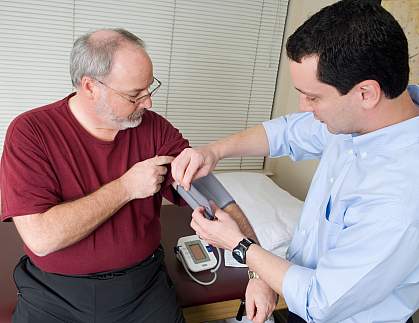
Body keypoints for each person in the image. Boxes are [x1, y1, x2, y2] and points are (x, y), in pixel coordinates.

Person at [171, 1, 419, 322]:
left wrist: (239, 245)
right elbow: (286, 133)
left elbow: (320, 299)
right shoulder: (369, 117)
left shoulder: (400, 198)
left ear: (366, 93)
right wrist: (213, 152)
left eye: (313, 97)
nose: (304, 108)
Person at [0, 28, 190, 323]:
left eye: (149, 88)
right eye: (134, 95)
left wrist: (254, 265)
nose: (148, 103)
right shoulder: (30, 132)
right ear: (90, 87)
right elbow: (41, 238)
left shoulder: (153, 127)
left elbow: (204, 188)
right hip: (54, 294)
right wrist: (126, 187)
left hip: (143, 287)